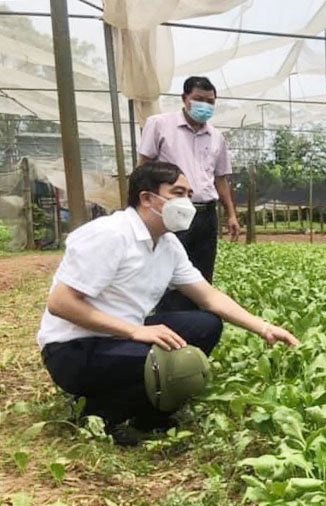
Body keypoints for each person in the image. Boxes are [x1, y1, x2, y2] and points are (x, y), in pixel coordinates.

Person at [37, 162, 298, 445]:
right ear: (147, 198)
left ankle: (146, 413)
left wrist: (264, 328)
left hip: (118, 338)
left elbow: (208, 297)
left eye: (188, 194)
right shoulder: (111, 234)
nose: (187, 202)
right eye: (177, 193)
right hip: (74, 349)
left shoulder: (168, 245)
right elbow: (61, 303)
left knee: (205, 326)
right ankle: (98, 412)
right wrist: (135, 332)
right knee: (178, 363)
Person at [139, 76, 240, 312]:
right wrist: (140, 205)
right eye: (199, 99)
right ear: (184, 99)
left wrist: (231, 214)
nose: (205, 105)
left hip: (206, 213)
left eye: (210, 101)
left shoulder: (216, 136)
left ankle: (195, 321)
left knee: (202, 272)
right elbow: (143, 166)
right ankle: (166, 320)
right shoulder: (159, 124)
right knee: (166, 270)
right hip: (172, 210)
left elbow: (221, 178)